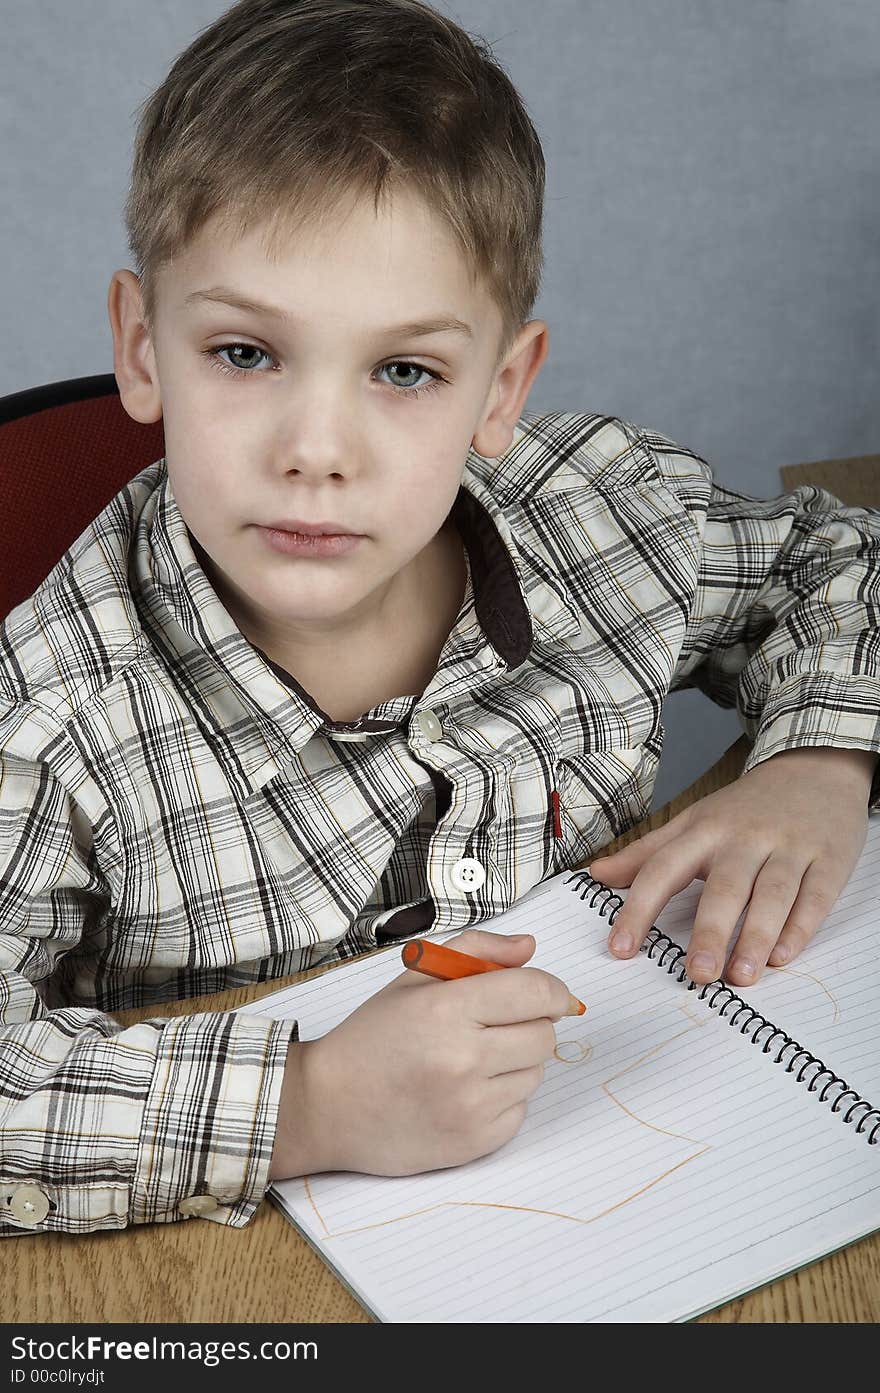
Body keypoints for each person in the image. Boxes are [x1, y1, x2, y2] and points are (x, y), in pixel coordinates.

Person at [2, 0, 879, 1237]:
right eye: (246, 353)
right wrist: (309, 1101)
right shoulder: (48, 724)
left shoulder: (600, 517)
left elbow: (838, 560)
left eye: (404, 371)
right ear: (142, 347)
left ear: (499, 387)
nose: (318, 451)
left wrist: (820, 762)